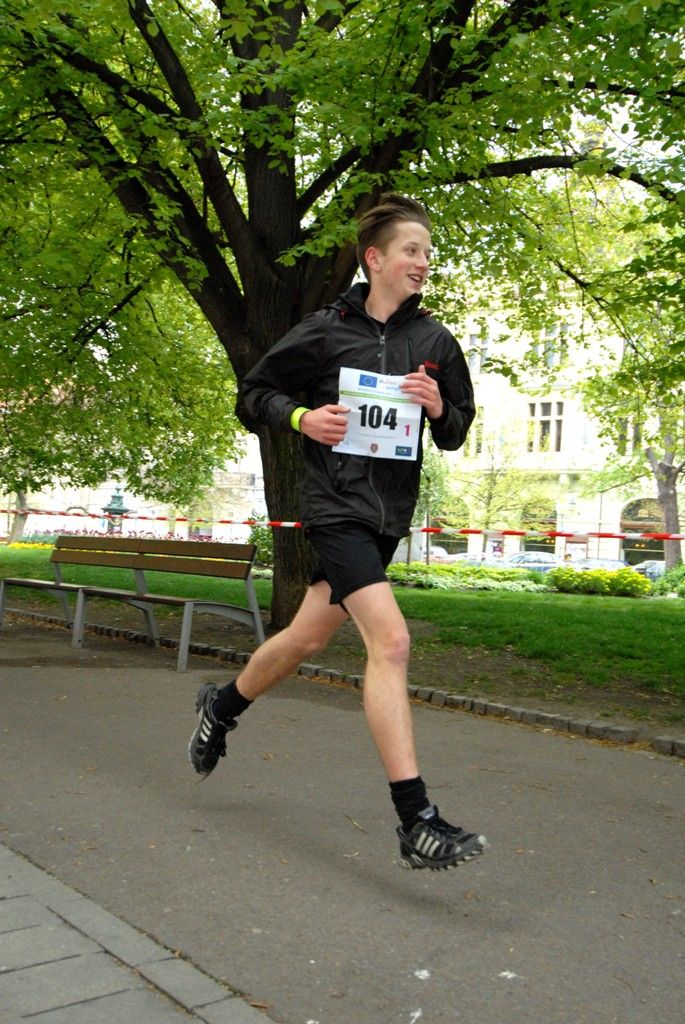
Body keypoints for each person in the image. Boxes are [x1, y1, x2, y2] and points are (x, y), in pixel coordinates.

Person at [188, 194, 487, 871]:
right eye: (411, 249)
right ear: (374, 257)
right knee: (392, 640)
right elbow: (253, 394)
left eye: (427, 251)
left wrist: (440, 406)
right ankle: (416, 821)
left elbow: (456, 430)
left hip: (386, 516)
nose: (423, 261)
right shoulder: (324, 330)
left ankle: (222, 705)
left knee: (305, 635)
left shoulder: (433, 342)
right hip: (333, 507)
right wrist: (301, 420)